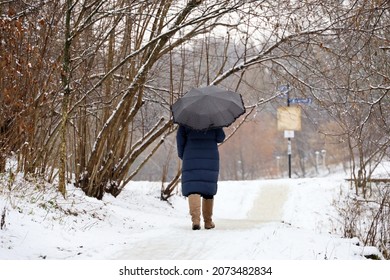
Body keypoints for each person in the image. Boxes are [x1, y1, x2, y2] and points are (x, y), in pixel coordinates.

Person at [176, 125, 226, 230]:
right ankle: (208, 222)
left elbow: (180, 140)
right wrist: (218, 126)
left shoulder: (186, 120)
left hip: (191, 156)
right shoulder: (214, 120)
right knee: (208, 189)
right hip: (210, 157)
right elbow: (220, 137)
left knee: (193, 187)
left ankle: (195, 221)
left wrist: (183, 155)